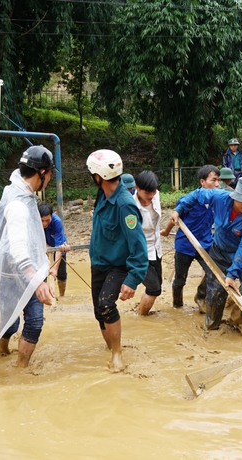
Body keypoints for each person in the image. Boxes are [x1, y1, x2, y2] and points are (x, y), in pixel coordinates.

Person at [0, 145, 56, 374]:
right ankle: (3, 348)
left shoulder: (18, 188)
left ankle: (20, 370)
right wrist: (37, 282)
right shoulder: (17, 203)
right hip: (12, 272)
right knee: (10, 322)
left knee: (35, 322)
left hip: (31, 270)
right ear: (42, 172)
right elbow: (17, 249)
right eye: (50, 174)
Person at [170, 176, 242, 337]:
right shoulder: (219, 197)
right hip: (219, 252)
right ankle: (212, 326)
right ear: (236, 197)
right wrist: (179, 209)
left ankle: (239, 319)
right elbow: (197, 195)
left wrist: (232, 274)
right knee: (215, 295)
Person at [87, 149, 148, 372]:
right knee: (98, 311)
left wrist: (133, 279)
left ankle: (117, 353)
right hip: (99, 263)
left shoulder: (124, 205)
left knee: (106, 304)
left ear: (97, 177)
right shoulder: (102, 195)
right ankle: (110, 345)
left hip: (118, 266)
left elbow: (139, 246)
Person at [161, 165, 218, 309]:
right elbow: (174, 217)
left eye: (219, 181)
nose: (217, 184)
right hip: (185, 245)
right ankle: (177, 305)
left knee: (214, 273)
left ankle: (200, 296)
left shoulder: (216, 200)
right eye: (213, 180)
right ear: (202, 182)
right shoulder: (190, 199)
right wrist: (166, 232)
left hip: (205, 243)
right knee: (180, 280)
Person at [132, 171, 163, 315]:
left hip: (156, 249)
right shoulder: (130, 207)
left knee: (157, 286)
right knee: (154, 288)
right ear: (137, 188)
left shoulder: (156, 196)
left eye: (153, 191)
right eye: (147, 193)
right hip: (140, 253)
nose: (151, 196)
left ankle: (139, 309)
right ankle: (141, 317)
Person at [38, 203, 71, 297]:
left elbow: (59, 247)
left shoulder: (57, 222)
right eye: (42, 221)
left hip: (59, 247)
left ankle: (61, 296)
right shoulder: (33, 222)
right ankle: (43, 296)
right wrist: (45, 246)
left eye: (47, 220)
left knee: (61, 275)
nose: (45, 223)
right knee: (41, 274)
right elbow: (32, 239)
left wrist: (54, 269)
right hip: (41, 248)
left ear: (51, 216)